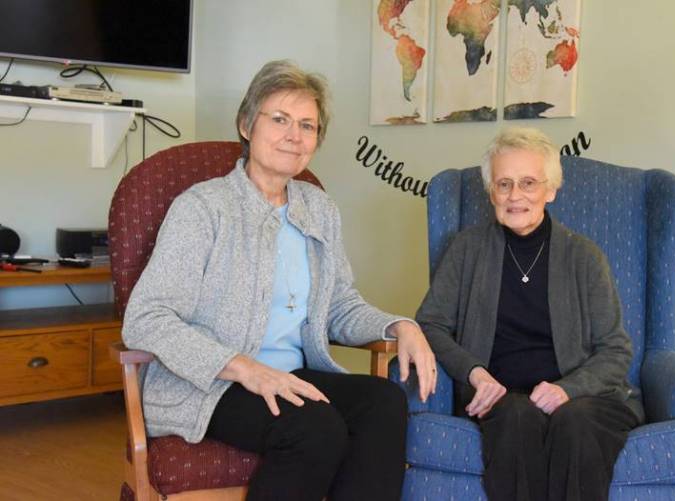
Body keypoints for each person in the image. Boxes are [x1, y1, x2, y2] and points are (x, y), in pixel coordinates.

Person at [123, 60, 437, 501]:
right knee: (314, 425)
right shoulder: (203, 207)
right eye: (280, 119)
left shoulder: (319, 207)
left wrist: (400, 325)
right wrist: (245, 367)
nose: (295, 135)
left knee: (384, 401)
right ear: (246, 125)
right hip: (212, 384)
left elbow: (339, 306)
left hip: (290, 375)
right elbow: (146, 318)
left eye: (307, 125)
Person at [415, 127, 644, 501]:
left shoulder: (584, 256)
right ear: (491, 192)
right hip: (502, 397)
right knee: (516, 418)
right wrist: (475, 373)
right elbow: (431, 325)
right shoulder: (466, 249)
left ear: (550, 190)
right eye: (503, 184)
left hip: (583, 399)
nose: (515, 195)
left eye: (528, 183)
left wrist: (566, 390)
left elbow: (615, 350)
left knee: (576, 422)